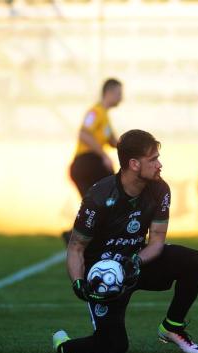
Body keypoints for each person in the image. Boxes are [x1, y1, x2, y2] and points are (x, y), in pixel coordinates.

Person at [53, 129, 198, 353]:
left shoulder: (160, 189)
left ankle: (172, 327)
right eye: (153, 159)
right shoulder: (99, 195)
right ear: (134, 164)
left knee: (197, 262)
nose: (159, 165)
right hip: (105, 276)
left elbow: (156, 241)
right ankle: (62, 344)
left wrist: (135, 262)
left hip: (136, 264)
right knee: (113, 347)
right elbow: (76, 246)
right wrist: (78, 282)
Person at [62, 78, 123, 245]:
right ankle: (115, 232)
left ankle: (73, 235)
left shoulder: (105, 117)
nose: (121, 97)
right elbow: (84, 134)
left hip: (90, 164)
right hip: (85, 163)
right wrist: (103, 155)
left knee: (96, 206)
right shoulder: (95, 112)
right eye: (118, 93)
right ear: (108, 93)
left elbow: (112, 140)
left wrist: (128, 145)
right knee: (113, 189)